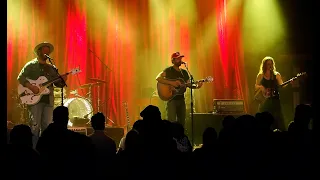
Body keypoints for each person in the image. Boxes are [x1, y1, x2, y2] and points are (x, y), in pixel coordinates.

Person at [17, 42, 68, 148]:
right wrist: (31, 87)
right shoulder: (30, 65)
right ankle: (33, 151)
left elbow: (57, 84)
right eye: (44, 50)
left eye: (48, 51)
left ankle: (45, 151)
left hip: (48, 100)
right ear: (39, 51)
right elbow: (20, 78)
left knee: (47, 127)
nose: (47, 52)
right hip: (34, 99)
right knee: (35, 127)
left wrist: (62, 80)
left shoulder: (51, 68)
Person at [156, 52, 203, 127]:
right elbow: (158, 78)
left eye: (180, 58)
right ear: (173, 60)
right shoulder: (169, 70)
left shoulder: (184, 72)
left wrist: (197, 86)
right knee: (171, 122)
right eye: (177, 58)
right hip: (171, 100)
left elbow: (189, 84)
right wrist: (172, 83)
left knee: (182, 123)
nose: (180, 60)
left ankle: (180, 137)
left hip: (181, 100)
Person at [255, 56, 288, 131]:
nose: (270, 66)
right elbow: (256, 86)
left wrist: (290, 82)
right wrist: (261, 87)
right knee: (264, 116)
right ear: (264, 65)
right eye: (268, 64)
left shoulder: (276, 75)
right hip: (265, 100)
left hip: (275, 99)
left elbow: (282, 85)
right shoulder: (260, 75)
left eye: (271, 64)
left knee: (276, 117)